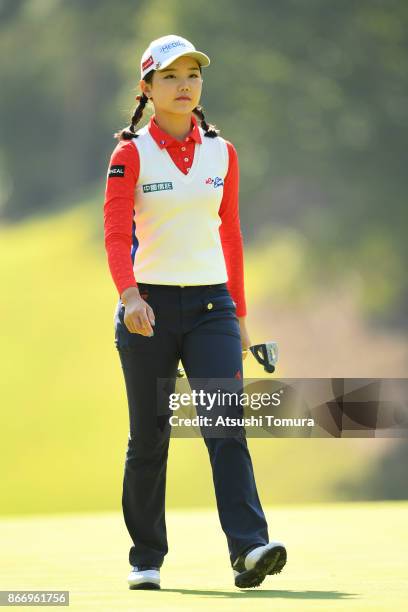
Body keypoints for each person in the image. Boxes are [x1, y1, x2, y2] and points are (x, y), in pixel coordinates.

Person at [103, 34, 287, 590]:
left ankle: (250, 550)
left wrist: (241, 315)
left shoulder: (222, 152)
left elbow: (230, 235)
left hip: (212, 307)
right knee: (150, 437)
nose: (185, 85)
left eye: (193, 75)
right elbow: (114, 234)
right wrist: (130, 296)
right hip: (149, 309)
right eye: (170, 77)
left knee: (225, 427)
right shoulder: (129, 153)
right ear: (147, 89)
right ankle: (146, 558)